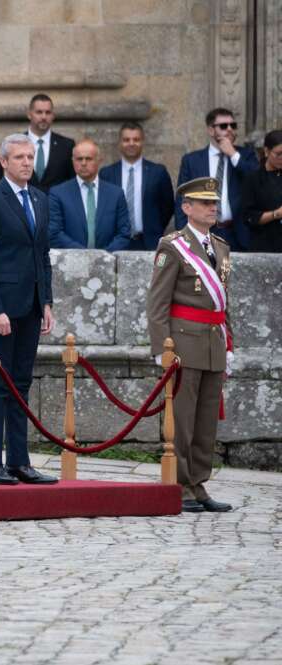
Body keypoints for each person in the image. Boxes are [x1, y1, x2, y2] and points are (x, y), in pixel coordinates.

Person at [0, 135, 57, 485]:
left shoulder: (39, 199)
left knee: (22, 382)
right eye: (19, 157)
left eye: (30, 156)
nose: (26, 162)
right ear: (3, 161)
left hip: (31, 305)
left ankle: (19, 460)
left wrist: (46, 301)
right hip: (0, 308)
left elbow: (42, 255)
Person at [146, 177, 234, 513]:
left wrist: (230, 345)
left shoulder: (221, 247)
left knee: (206, 419)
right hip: (183, 343)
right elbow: (158, 302)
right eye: (204, 202)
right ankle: (179, 486)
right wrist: (161, 349)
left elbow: (225, 303)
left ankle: (198, 484)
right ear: (187, 208)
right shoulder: (172, 246)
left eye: (214, 203)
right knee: (182, 419)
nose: (212, 208)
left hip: (214, 342)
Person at [175, 108, 260, 251]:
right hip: (203, 232)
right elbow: (182, 199)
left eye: (233, 126)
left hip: (238, 234)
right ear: (210, 130)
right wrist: (184, 235)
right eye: (223, 126)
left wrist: (232, 154)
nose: (229, 130)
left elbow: (257, 181)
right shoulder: (192, 160)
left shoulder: (246, 156)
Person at [98, 121, 175, 250]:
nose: (131, 143)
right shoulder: (107, 174)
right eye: (126, 140)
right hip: (115, 242)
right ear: (120, 143)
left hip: (149, 242)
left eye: (136, 139)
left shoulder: (158, 172)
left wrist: (154, 228)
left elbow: (167, 206)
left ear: (143, 141)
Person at [48, 138, 132, 251]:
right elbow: (55, 232)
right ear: (73, 161)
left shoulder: (116, 194)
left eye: (88, 159)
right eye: (79, 159)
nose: (83, 163)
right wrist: (85, 255)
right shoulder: (58, 193)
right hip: (72, 262)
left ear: (99, 160)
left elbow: (124, 233)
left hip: (108, 262)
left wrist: (104, 255)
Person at [0, 93, 75, 194]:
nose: (43, 117)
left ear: (53, 115)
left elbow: (72, 183)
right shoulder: (12, 144)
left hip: (56, 207)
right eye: (39, 112)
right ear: (29, 114)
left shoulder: (67, 145)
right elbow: (2, 182)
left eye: (48, 112)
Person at [240, 129, 282, 253]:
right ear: (266, 151)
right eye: (278, 154)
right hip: (265, 246)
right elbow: (248, 217)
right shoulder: (253, 179)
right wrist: (276, 214)